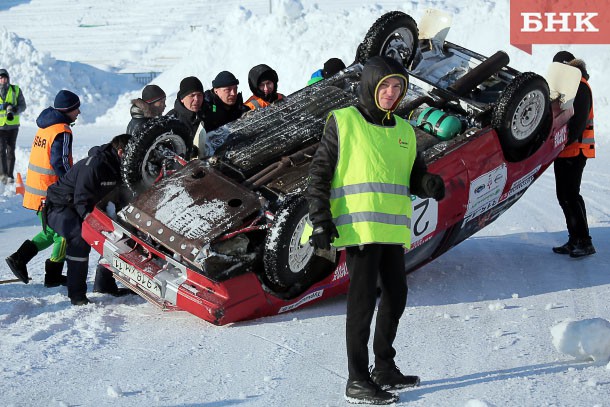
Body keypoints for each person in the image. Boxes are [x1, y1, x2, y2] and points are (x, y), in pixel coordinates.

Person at [306, 56, 445, 404]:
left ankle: (384, 367)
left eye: (398, 87)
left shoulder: (404, 130)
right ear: (371, 85)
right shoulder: (344, 121)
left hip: (393, 230)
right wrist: (320, 218)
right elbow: (319, 173)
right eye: (385, 86)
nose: (392, 93)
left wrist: (427, 184)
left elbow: (413, 175)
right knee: (362, 302)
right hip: (359, 230)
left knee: (396, 295)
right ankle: (357, 379)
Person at [45, 133, 132, 305]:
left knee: (119, 236)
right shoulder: (95, 165)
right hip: (61, 206)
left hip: (86, 206)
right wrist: (98, 228)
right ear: (121, 152)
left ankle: (105, 284)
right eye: (131, 155)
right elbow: (81, 201)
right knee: (79, 237)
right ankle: (77, 295)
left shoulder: (120, 167)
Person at [5, 90, 81, 287]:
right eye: (76, 108)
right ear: (67, 110)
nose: (78, 112)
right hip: (52, 193)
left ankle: (19, 259)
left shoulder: (46, 127)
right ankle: (53, 274)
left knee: (50, 232)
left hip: (38, 191)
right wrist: (73, 186)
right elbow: (61, 163)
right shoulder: (62, 130)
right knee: (64, 233)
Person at [551, 51, 596, 258]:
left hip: (575, 150)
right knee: (566, 196)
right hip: (565, 151)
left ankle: (584, 242)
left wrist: (557, 143)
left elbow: (576, 125)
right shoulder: (571, 86)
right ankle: (575, 239)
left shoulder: (580, 87)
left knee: (570, 196)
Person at [0, 68, 27, 184]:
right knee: (1, 151)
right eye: (1, 78)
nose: (3, 80)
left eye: (5, 78)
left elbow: (23, 105)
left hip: (13, 127)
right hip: (0, 126)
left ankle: (10, 175)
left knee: (11, 151)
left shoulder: (15, 90)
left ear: (8, 78)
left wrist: (15, 109)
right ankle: (3, 175)